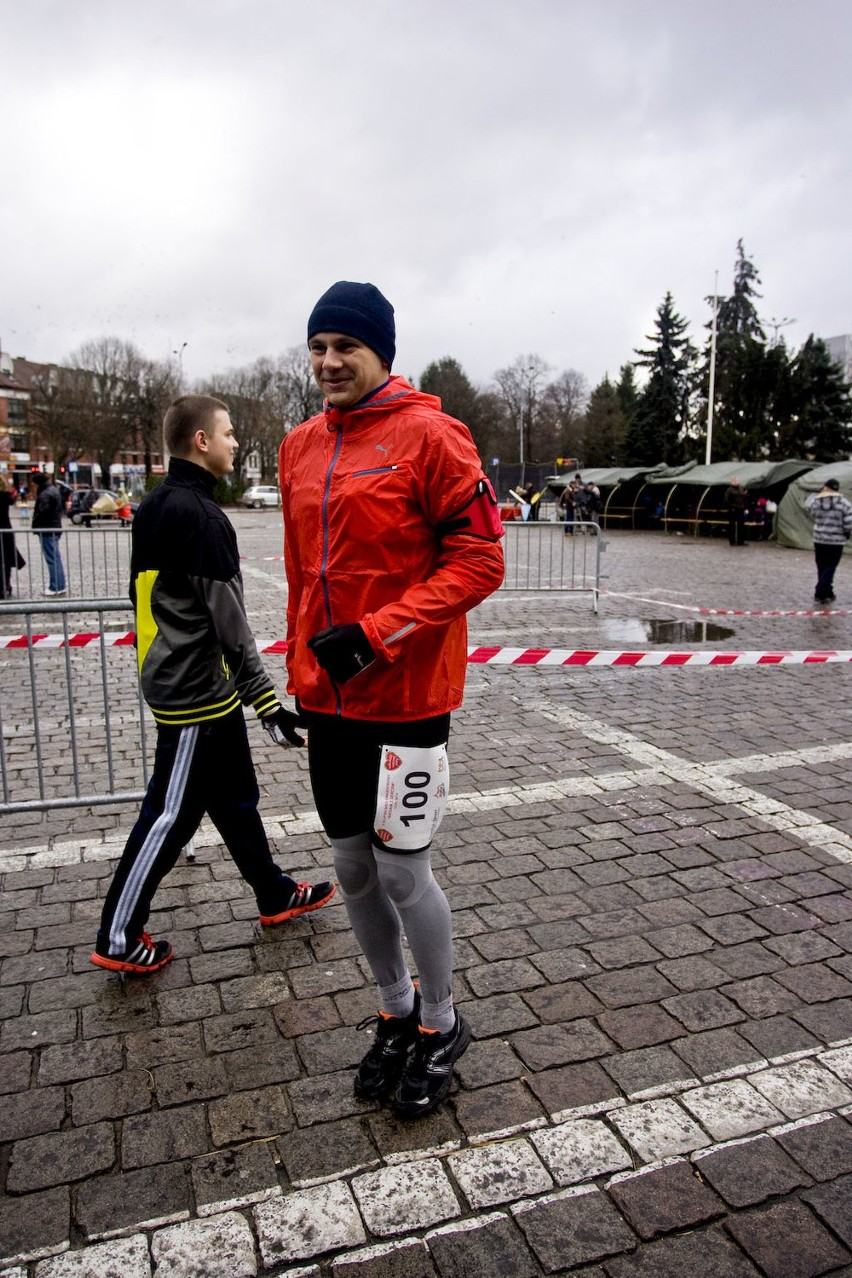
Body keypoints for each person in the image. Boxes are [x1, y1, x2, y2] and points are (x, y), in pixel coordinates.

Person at [279, 281, 504, 1119]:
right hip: (330, 700)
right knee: (349, 867)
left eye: (347, 346)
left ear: (382, 352)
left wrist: (378, 632)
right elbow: (304, 579)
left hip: (406, 695)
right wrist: (302, 675)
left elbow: (481, 562)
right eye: (318, 346)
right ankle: (396, 1009)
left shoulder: (435, 437)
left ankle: (443, 1022)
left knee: (404, 872)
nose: (329, 361)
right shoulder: (298, 444)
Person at [91, 394, 335, 975]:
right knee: (169, 813)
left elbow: (147, 598)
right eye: (227, 434)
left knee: (235, 799)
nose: (233, 443)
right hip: (195, 695)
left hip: (197, 685)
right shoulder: (202, 518)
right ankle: (119, 934)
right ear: (201, 441)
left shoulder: (156, 505)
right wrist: (269, 703)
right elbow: (233, 628)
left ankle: (272, 892)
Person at [805, 478, 852, 605]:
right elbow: (848, 522)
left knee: (821, 566)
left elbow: (810, 511)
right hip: (836, 541)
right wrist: (847, 534)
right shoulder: (844, 503)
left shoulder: (816, 501)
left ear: (826, 487)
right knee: (830, 567)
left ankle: (827, 593)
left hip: (819, 539)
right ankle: (821, 591)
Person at [31, 471, 67, 594]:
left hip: (47, 529)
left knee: (52, 558)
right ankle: (60, 584)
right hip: (54, 527)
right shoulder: (53, 490)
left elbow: (43, 512)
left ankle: (56, 586)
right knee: (55, 558)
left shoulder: (45, 494)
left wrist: (36, 524)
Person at [0, 476, 24, 599]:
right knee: (6, 561)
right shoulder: (5, 497)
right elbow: (12, 500)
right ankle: (5, 585)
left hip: (4, 532)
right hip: (6, 531)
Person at [724, 476, 748, 546]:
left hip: (740, 509)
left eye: (736, 480)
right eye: (734, 481)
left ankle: (741, 541)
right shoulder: (729, 490)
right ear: (731, 482)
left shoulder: (741, 489)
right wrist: (731, 508)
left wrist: (745, 507)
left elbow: (744, 498)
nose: (735, 482)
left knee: (741, 526)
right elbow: (726, 500)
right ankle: (732, 541)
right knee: (732, 526)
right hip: (733, 510)